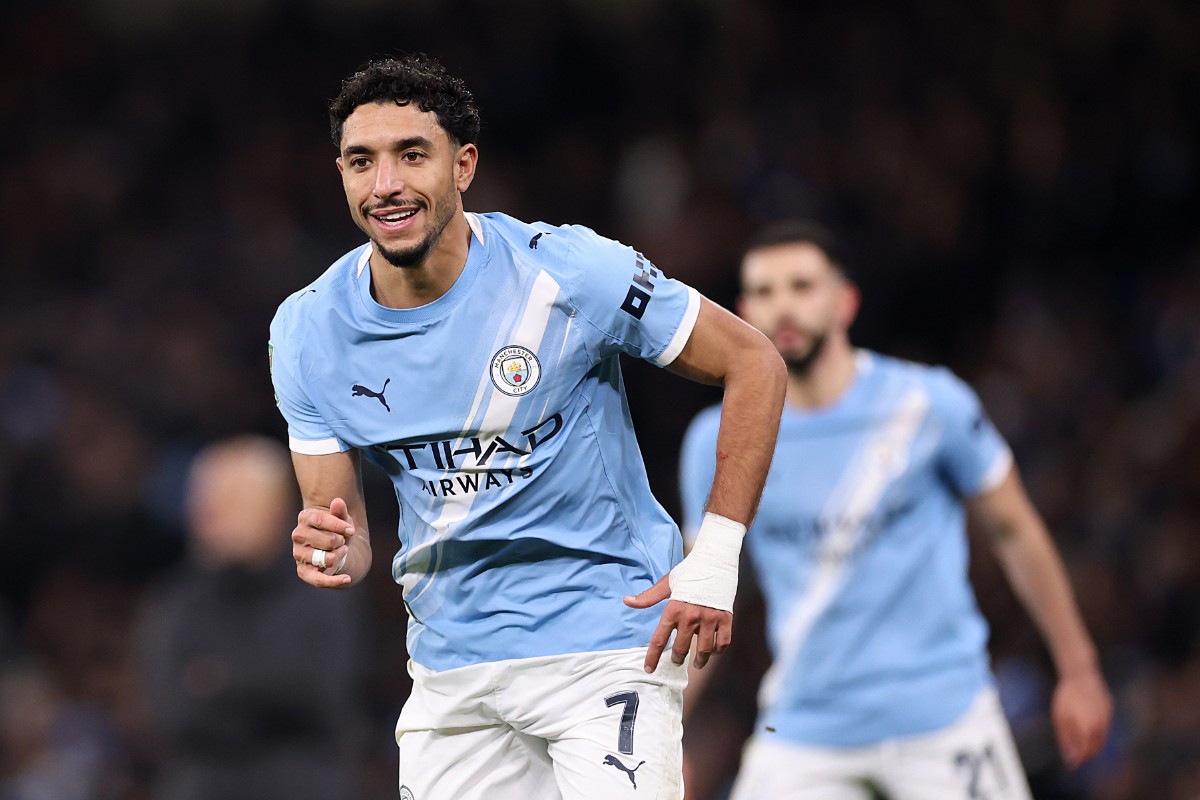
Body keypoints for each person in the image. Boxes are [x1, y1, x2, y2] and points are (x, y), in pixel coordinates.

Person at [267, 54, 786, 800]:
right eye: (361, 162)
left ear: (464, 165)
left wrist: (717, 557)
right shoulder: (307, 330)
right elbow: (346, 542)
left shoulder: (568, 273)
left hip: (605, 646)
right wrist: (330, 552)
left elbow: (754, 362)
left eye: (412, 155)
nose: (385, 185)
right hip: (452, 672)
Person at [679, 221, 1113, 800]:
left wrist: (1079, 671)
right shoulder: (717, 441)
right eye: (764, 291)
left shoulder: (928, 404)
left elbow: (1015, 530)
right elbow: (704, 597)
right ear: (742, 312)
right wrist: (665, 728)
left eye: (802, 286)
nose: (782, 306)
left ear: (845, 301)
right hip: (805, 731)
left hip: (946, 719)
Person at [135, 435, 367, 800]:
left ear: (275, 507)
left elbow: (321, 697)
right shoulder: (176, 602)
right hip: (202, 787)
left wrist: (218, 683)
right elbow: (171, 711)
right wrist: (266, 691)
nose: (207, 514)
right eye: (202, 500)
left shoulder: (322, 588)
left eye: (230, 500)